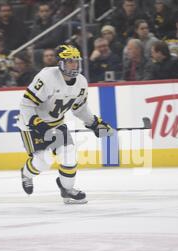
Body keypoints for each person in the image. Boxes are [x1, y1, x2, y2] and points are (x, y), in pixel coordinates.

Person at [17, 44, 114, 204]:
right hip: (31, 124)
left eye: (76, 61)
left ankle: (67, 190)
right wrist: (37, 123)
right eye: (69, 61)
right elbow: (26, 105)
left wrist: (95, 124)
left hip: (56, 124)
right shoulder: (47, 77)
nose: (74, 65)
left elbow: (80, 109)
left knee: (69, 154)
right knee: (43, 161)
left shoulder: (81, 82)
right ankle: (27, 174)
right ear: (60, 63)